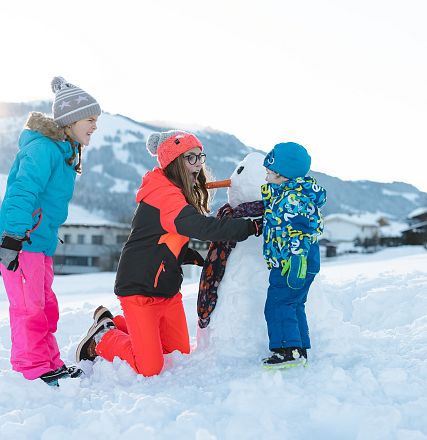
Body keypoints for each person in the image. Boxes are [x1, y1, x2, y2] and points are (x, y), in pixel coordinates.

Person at [76, 130, 263, 376]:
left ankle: (117, 324)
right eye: (190, 158)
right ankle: (103, 337)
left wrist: (184, 255)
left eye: (200, 157)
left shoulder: (175, 192)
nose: (198, 164)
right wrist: (252, 226)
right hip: (139, 288)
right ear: (174, 162)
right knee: (150, 367)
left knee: (177, 354)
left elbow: (163, 236)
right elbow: (201, 227)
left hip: (166, 289)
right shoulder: (162, 193)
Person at [0, 76, 101, 386]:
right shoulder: (43, 149)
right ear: (70, 120)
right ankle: (33, 371)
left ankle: (49, 363)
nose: (95, 126)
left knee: (46, 308)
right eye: (90, 119)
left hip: (39, 243)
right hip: (22, 242)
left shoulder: (63, 151)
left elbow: (47, 201)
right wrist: (13, 238)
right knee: (29, 308)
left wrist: (48, 231)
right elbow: (22, 190)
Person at [261, 142, 326, 369]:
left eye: (269, 171)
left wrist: (297, 259)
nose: (265, 173)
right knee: (295, 303)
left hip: (293, 260)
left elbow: (301, 229)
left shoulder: (293, 199)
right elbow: (274, 210)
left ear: (282, 174)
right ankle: (299, 350)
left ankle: (287, 352)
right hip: (296, 258)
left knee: (279, 303)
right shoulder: (288, 193)